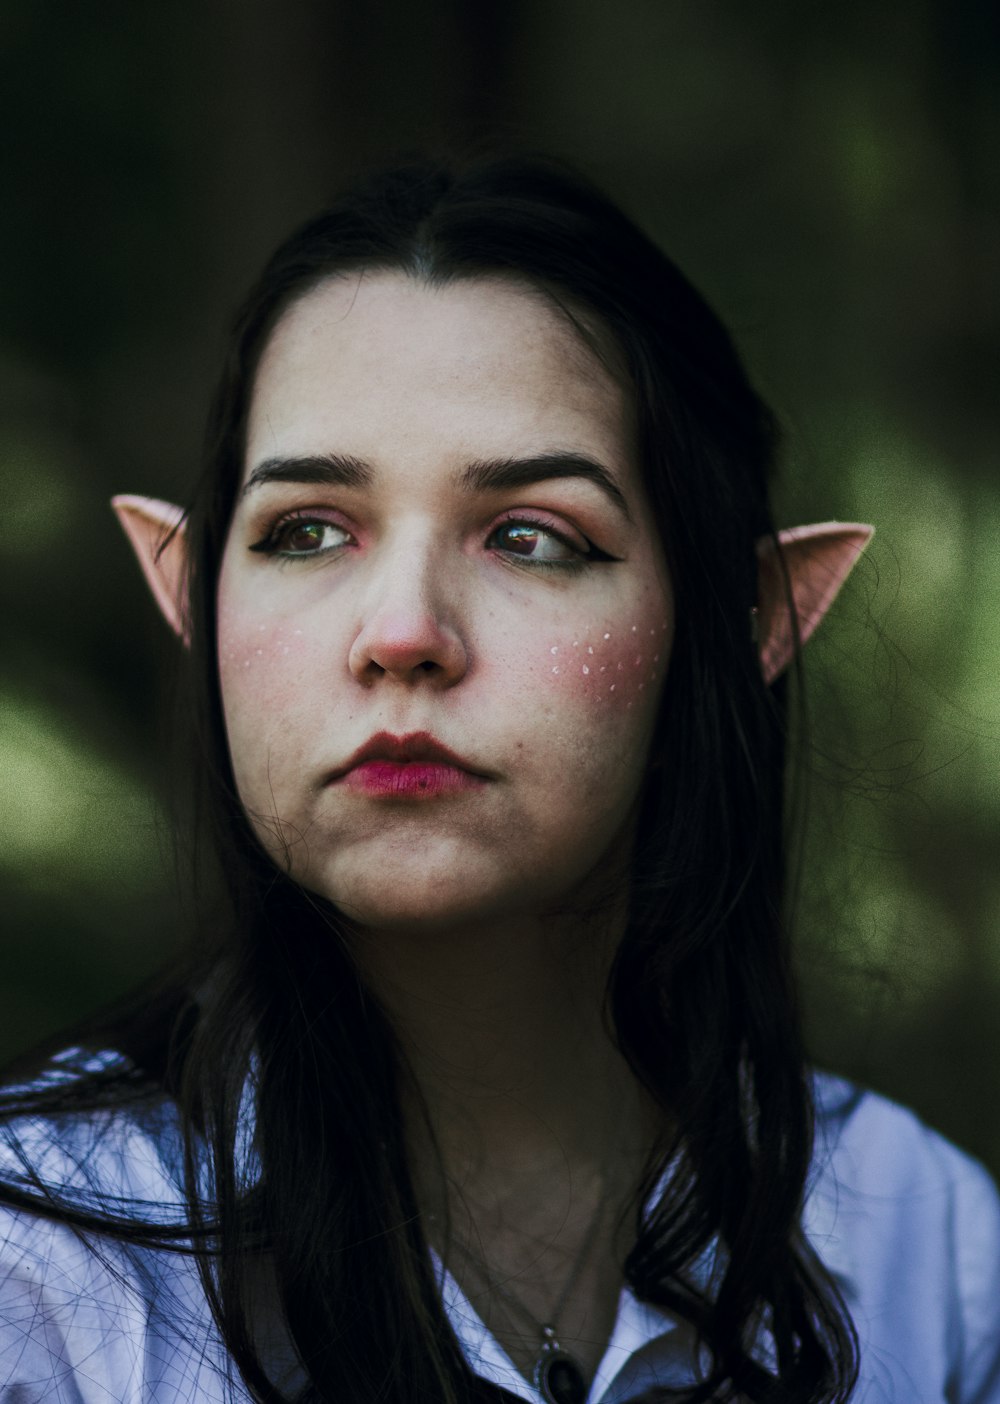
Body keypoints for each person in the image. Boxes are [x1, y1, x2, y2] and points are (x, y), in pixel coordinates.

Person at [0, 155, 997, 1404]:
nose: (402, 631)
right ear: (191, 591)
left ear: (744, 617)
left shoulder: (927, 1255)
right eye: (304, 530)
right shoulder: (39, 1280)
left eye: (533, 536)